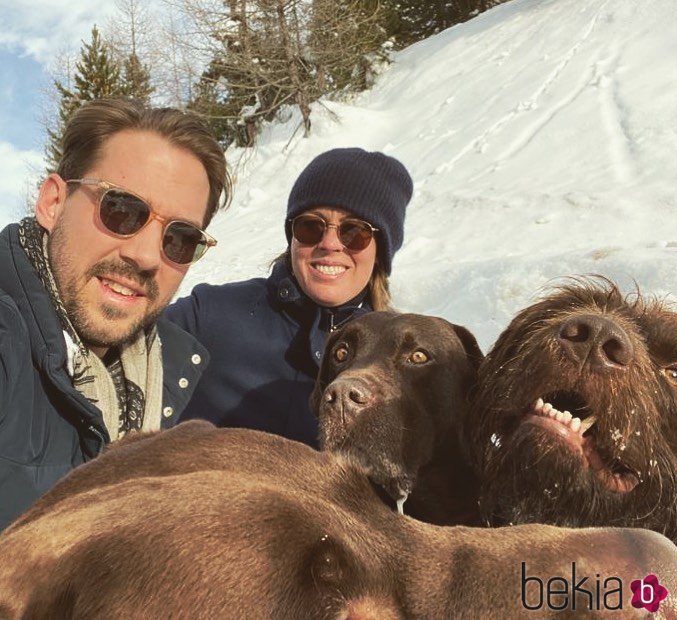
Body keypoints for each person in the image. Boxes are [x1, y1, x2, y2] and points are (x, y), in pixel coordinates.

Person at [0, 98, 231, 529]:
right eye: (121, 210)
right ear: (53, 202)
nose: (145, 256)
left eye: (180, 238)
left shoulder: (165, 378)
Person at [166, 147, 413, 447]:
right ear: (292, 236)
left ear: (380, 251)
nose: (330, 243)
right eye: (311, 226)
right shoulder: (212, 315)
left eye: (354, 232)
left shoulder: (401, 356)